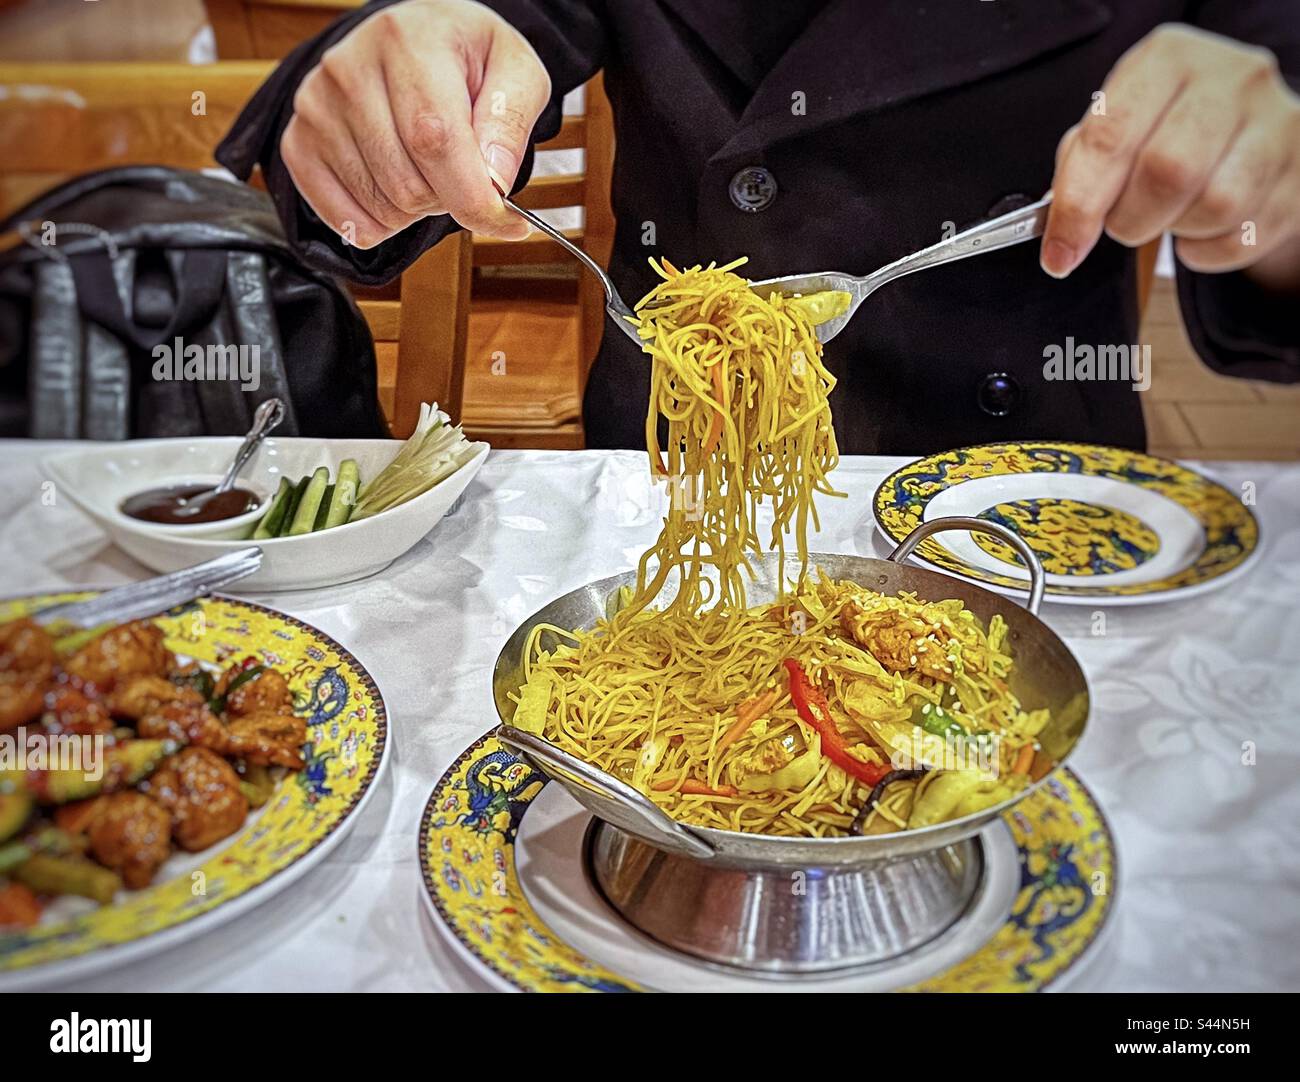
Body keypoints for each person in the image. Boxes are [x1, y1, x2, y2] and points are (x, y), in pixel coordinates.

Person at [218, 0, 1300, 454]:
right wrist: (385, 95)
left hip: (1013, 487)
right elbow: (478, 22)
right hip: (670, 453)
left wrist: (1277, 198)